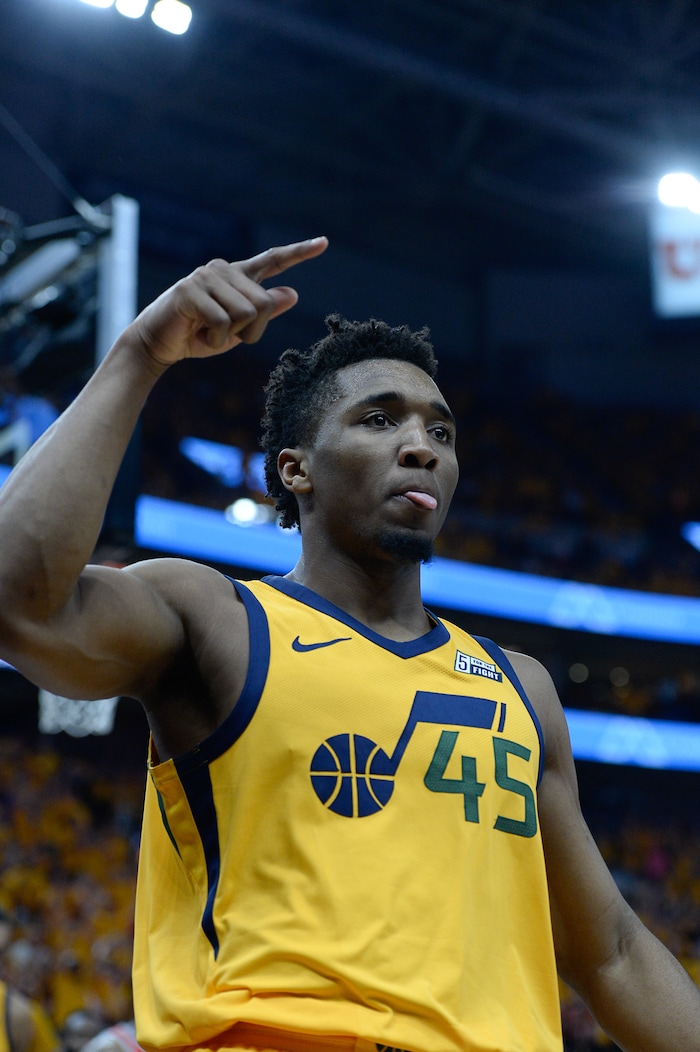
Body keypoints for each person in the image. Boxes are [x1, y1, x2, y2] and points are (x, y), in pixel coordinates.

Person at [0, 236, 698, 1052]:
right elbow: (21, 607)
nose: (422, 446)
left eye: (441, 431)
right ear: (295, 470)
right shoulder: (216, 616)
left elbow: (609, 951)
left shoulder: (521, 688)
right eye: (379, 419)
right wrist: (138, 356)